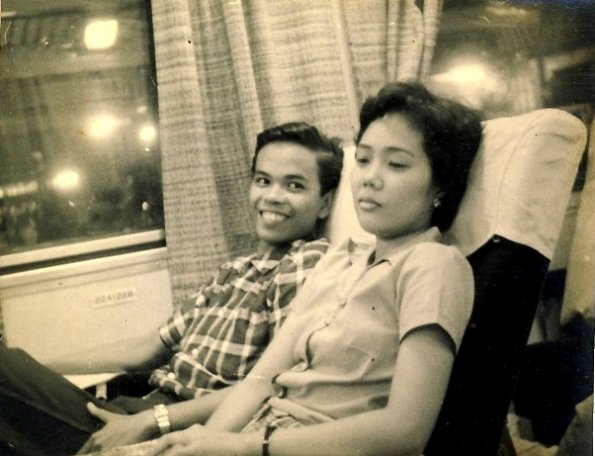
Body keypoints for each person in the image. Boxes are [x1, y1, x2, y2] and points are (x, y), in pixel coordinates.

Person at [143, 81, 483, 456]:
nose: (370, 177)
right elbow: (259, 381)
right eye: (363, 160)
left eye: (396, 164)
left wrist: (246, 447)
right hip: (259, 432)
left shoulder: (432, 264)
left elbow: (406, 430)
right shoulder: (340, 259)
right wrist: (205, 444)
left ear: (441, 186)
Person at [0, 122, 344, 456]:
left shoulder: (306, 263)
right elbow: (147, 348)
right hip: (139, 407)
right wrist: (39, 366)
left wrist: (154, 421)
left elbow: (273, 382)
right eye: (263, 180)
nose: (272, 196)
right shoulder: (234, 272)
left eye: (294, 186)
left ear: (325, 204)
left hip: (178, 428)